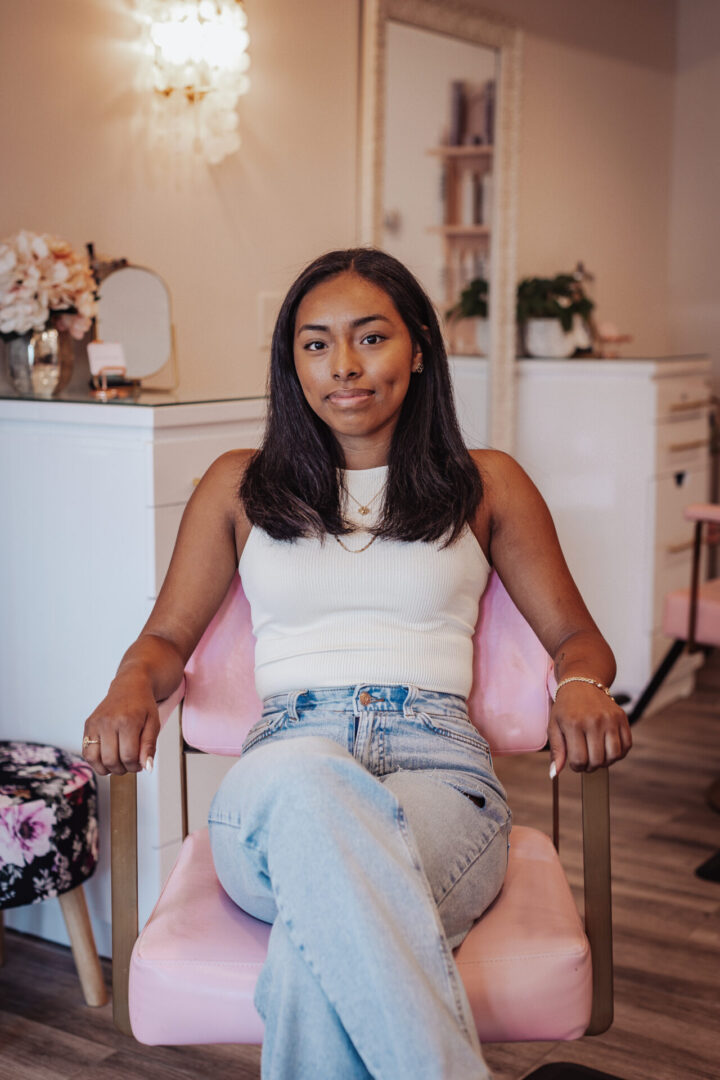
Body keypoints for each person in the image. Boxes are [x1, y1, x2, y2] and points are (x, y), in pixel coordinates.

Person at [82, 248, 631, 1080]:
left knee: (319, 946)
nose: (344, 366)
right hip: (282, 768)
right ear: (291, 362)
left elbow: (576, 640)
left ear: (417, 346)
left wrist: (584, 683)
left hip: (439, 770)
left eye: (370, 338)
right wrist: (130, 682)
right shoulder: (238, 487)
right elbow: (165, 641)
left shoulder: (488, 485)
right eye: (315, 344)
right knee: (308, 778)